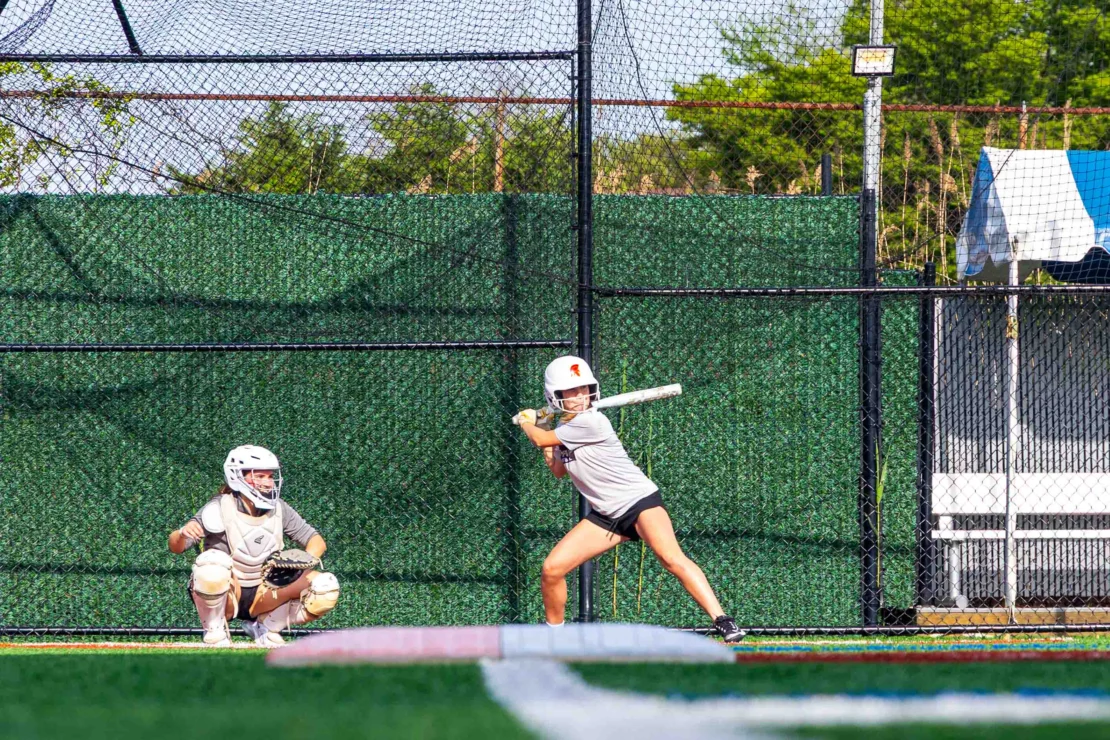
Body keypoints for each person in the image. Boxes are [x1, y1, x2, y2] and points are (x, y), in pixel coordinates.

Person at [513, 356, 745, 641]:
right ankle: (554, 638)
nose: (580, 396)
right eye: (571, 391)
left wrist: (528, 423)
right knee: (551, 570)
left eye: (584, 389)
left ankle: (723, 620)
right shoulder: (565, 430)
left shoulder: (592, 421)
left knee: (670, 557)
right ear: (554, 396)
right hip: (606, 516)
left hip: (638, 502)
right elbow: (559, 469)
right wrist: (548, 430)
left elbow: (538, 439)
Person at [168, 445, 340, 647]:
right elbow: (176, 547)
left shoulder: (279, 508)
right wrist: (182, 533)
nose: (267, 482)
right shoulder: (220, 506)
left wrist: (304, 561)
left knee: (325, 586)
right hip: (229, 593)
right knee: (212, 563)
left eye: (269, 476)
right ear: (237, 475)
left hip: (266, 591)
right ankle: (215, 632)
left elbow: (316, 541)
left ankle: (267, 627)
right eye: (259, 476)